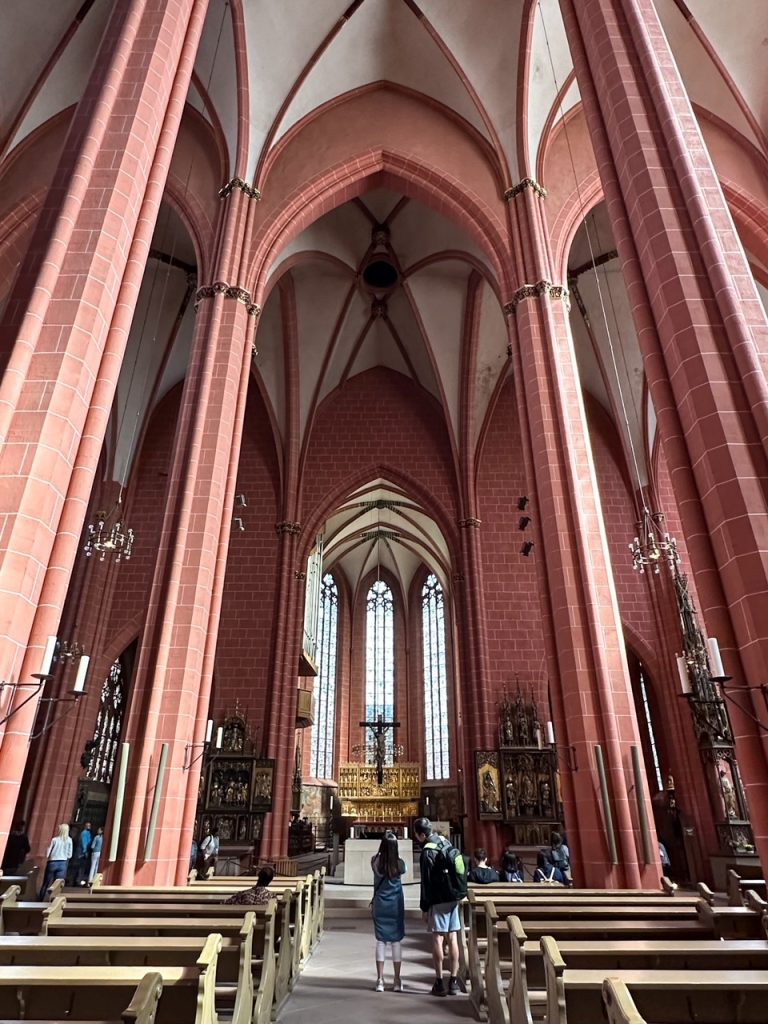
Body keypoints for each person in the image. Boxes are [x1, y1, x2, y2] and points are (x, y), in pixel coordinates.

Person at [413, 816, 462, 997]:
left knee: (437, 939)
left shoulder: (427, 851)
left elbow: (426, 882)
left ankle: (440, 982)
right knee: (453, 938)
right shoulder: (444, 840)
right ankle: (454, 982)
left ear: (420, 835)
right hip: (452, 896)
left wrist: (425, 908)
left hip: (438, 900)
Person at [370, 831, 406, 992]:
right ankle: (397, 980)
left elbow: (377, 862)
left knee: (381, 941)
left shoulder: (375, 861)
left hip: (380, 904)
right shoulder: (400, 864)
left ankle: (380, 980)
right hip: (395, 905)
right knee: (396, 941)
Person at [39, 823, 72, 898]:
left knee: (46, 883)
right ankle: (53, 901)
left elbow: (48, 853)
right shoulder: (69, 840)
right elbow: (70, 855)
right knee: (57, 885)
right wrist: (64, 855)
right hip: (62, 863)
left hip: (52, 862)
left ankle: (40, 899)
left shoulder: (54, 839)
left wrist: (50, 856)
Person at [75, 821, 92, 886]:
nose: (89, 827)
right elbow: (84, 843)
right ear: (85, 826)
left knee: (82, 867)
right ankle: (78, 881)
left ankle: (78, 880)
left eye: (89, 826)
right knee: (81, 867)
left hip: (84, 851)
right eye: (87, 826)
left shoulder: (88, 833)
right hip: (82, 852)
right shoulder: (84, 833)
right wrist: (85, 852)